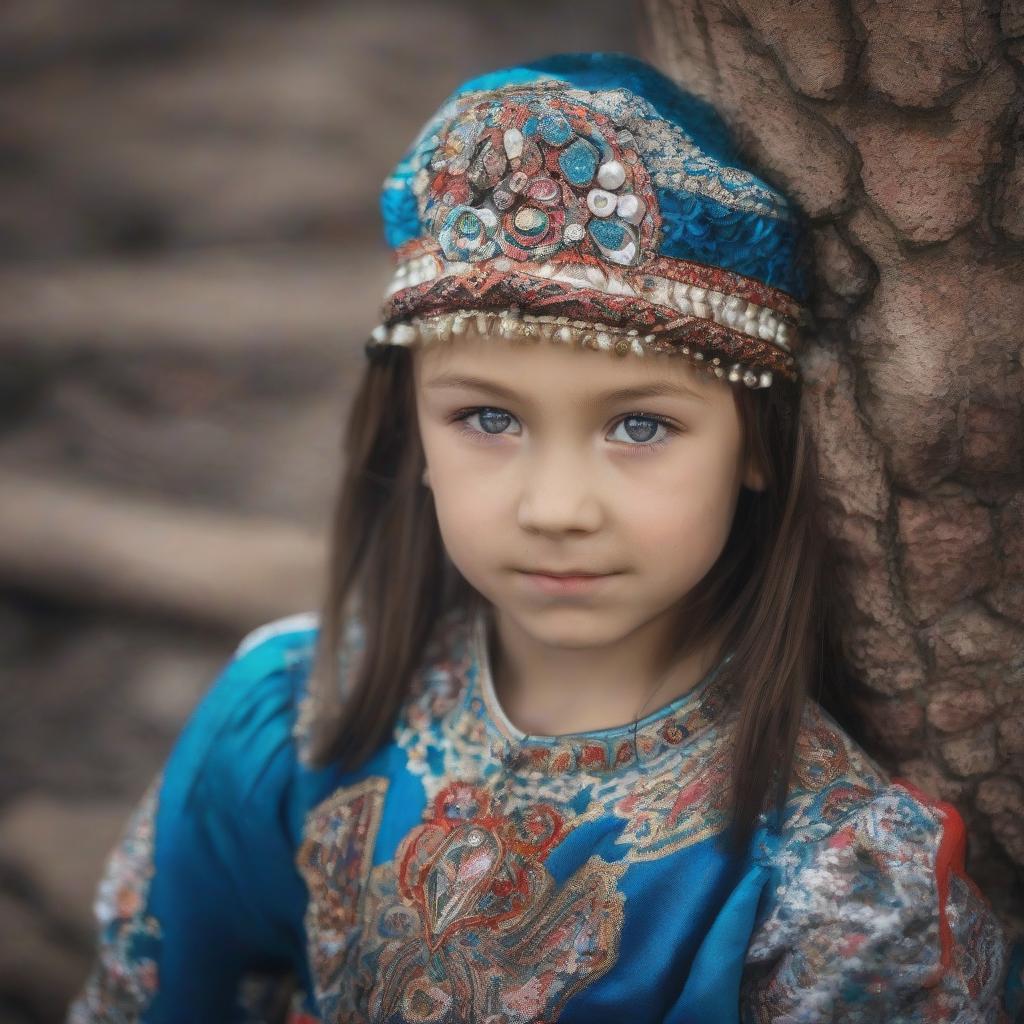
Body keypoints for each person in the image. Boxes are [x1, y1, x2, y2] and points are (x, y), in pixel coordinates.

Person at [67, 51, 1023, 1024]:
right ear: (413, 433)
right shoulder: (294, 719)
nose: (555, 507)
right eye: (487, 418)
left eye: (639, 426)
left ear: (757, 448)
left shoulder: (839, 894)